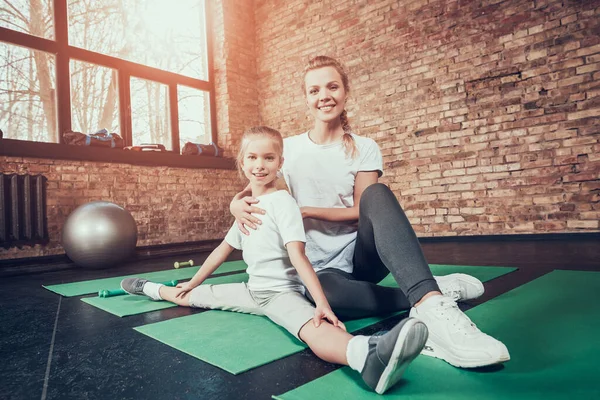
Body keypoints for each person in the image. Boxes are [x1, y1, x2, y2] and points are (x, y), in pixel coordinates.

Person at [230, 57, 510, 369]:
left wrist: (306, 211)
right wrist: (234, 204)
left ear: (345, 92)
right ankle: (432, 289)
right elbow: (257, 189)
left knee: (377, 193)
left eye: (332, 86)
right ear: (306, 98)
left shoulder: (363, 147)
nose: (324, 95)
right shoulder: (288, 149)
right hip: (320, 270)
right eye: (314, 90)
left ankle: (433, 307)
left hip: (361, 257)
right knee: (318, 296)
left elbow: (360, 212)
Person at [121, 126, 428, 395]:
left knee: (312, 329)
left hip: (281, 295)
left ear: (280, 163)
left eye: (268, 158)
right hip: (251, 290)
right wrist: (194, 281)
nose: (260, 165)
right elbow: (223, 249)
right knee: (189, 296)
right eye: (252, 158)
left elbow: (299, 257)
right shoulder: (248, 207)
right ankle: (148, 288)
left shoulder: (284, 204)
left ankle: (367, 356)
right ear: (242, 163)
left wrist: (322, 303)